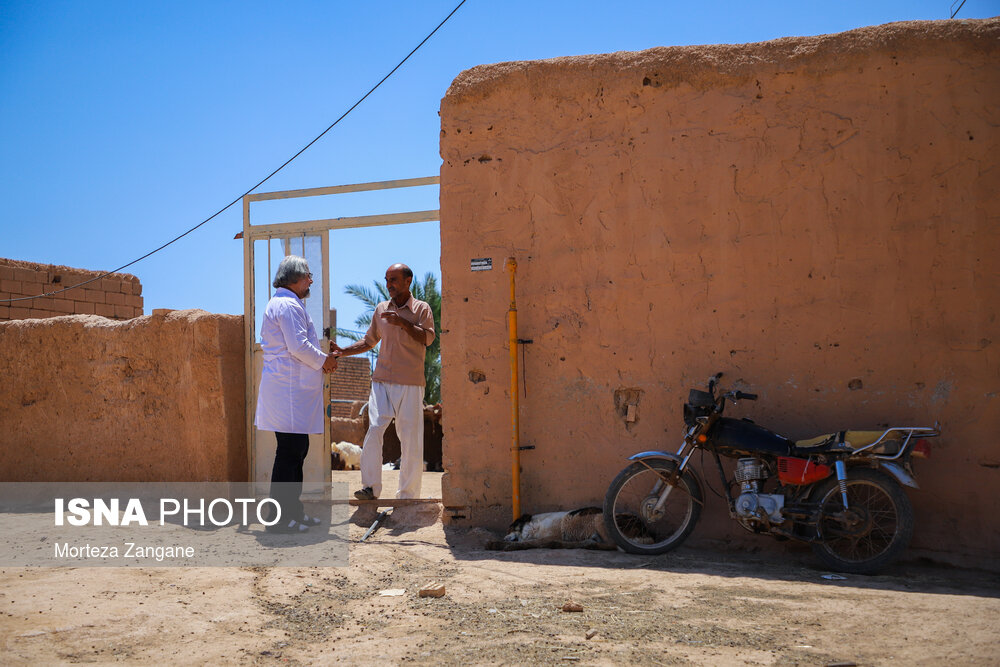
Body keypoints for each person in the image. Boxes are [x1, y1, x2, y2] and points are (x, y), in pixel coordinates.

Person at [332, 263, 435, 500]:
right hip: (381, 381)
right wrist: (342, 351)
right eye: (387, 280)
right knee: (375, 429)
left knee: (410, 438)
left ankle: (407, 495)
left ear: (408, 281)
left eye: (394, 280)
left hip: (410, 383)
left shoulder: (421, 309)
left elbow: (427, 338)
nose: (389, 285)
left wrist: (404, 323)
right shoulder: (380, 310)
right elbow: (369, 342)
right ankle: (370, 487)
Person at [254, 255, 339, 533]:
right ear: (293, 279)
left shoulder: (288, 304)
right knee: (289, 453)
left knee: (297, 451)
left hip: (291, 392)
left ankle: (293, 511)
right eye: (307, 276)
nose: (311, 280)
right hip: (287, 392)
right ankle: (278, 519)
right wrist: (324, 360)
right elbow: (298, 346)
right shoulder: (287, 305)